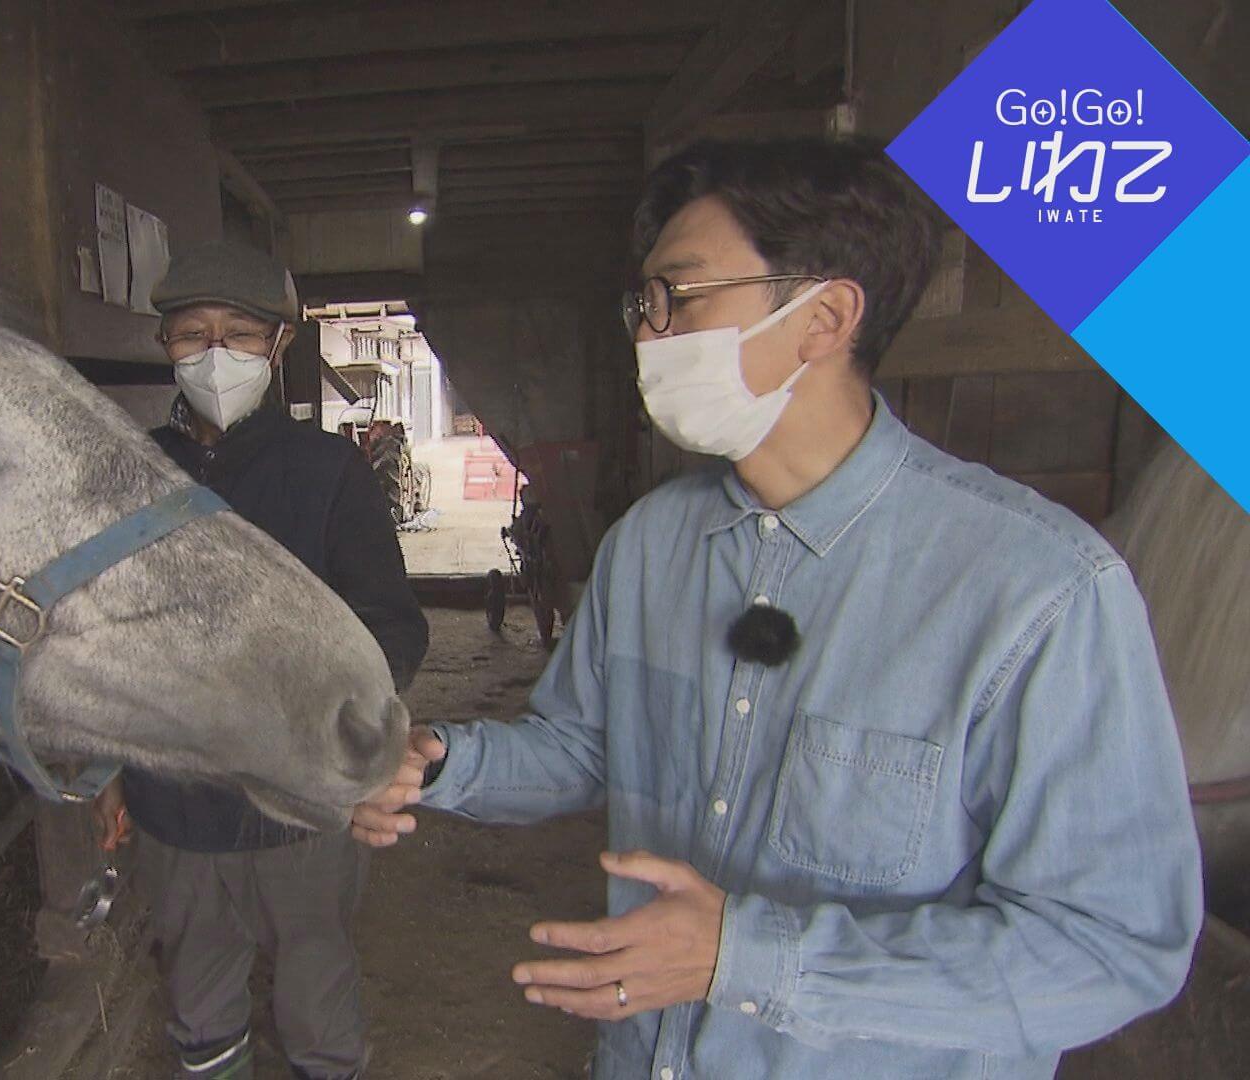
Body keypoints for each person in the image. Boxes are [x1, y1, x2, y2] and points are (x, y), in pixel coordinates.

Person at [351, 137, 1200, 1080]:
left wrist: (749, 960)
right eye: (643, 302)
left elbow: (1111, 948)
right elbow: (590, 745)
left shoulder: (1037, 593)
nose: (648, 330)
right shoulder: (649, 545)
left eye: (681, 297)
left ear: (824, 316)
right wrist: (441, 764)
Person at [100, 241, 428, 1080]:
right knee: (198, 992)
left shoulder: (327, 472)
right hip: (171, 795)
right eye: (190, 334)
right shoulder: (134, 474)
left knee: (316, 986)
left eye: (240, 334)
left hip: (301, 802)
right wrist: (106, 768)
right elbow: (93, 635)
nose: (215, 354)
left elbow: (391, 623)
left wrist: (339, 728)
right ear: (164, 344)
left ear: (278, 346)